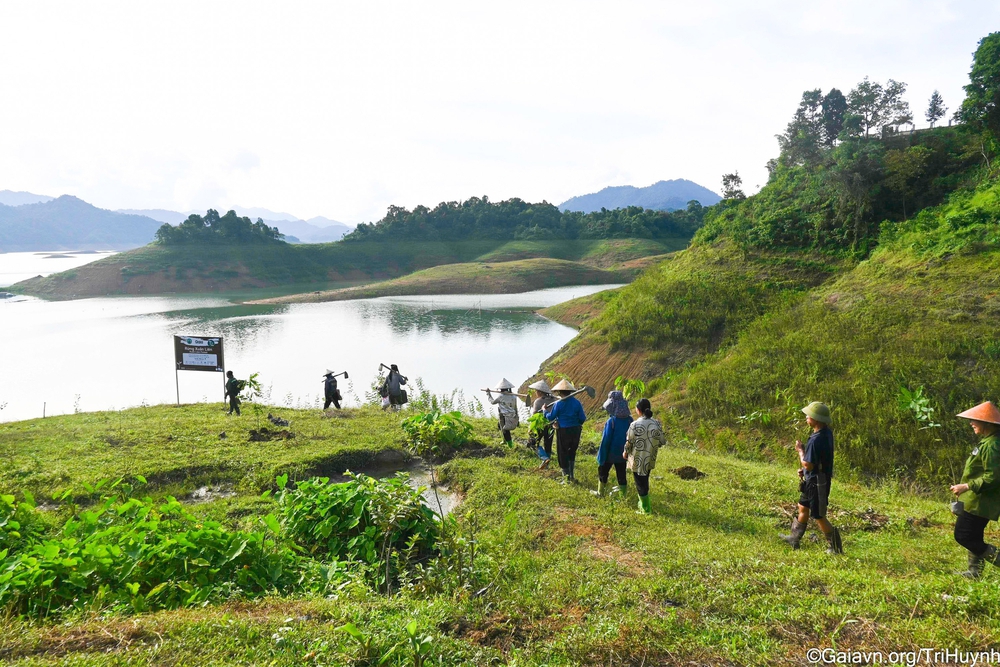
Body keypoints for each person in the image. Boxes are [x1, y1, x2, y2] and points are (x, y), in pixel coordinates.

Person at [780, 401, 843, 554]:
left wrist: (800, 451)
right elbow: (815, 462)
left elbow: (808, 463)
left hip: (817, 482)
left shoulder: (816, 440)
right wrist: (805, 471)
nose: (806, 417)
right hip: (812, 479)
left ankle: (835, 547)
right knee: (803, 506)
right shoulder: (825, 433)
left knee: (818, 515)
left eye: (809, 415)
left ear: (816, 419)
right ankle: (794, 538)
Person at [950, 401, 1000, 579]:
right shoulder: (988, 442)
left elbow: (993, 477)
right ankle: (974, 572)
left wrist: (967, 486)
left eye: (975, 420)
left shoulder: (993, 445)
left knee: (963, 535)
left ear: (987, 423)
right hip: (976, 500)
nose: (971, 423)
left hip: (982, 502)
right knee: (974, 536)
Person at [624, 398, 666, 514]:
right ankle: (643, 505)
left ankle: (645, 509)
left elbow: (629, 442)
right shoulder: (656, 423)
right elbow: (662, 441)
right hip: (649, 458)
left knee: (639, 483)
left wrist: (625, 452)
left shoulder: (634, 424)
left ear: (638, 410)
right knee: (644, 480)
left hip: (637, 458)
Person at [544, 379, 587, 484]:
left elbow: (551, 417)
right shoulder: (577, 403)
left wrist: (544, 410)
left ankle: (566, 478)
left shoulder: (559, 404)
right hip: (576, 430)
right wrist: (575, 423)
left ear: (559, 392)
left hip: (563, 430)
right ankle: (571, 476)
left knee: (562, 453)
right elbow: (582, 418)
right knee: (572, 451)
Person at [592, 390, 633, 498]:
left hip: (610, 454)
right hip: (623, 454)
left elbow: (606, 440)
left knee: (603, 471)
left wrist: (601, 457)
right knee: (621, 474)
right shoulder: (630, 420)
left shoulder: (612, 421)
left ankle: (600, 492)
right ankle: (623, 496)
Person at [527, 380, 556, 468]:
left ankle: (544, 458)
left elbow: (534, 415)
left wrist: (530, 428)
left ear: (539, 392)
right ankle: (546, 464)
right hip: (551, 425)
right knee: (548, 444)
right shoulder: (554, 400)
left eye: (536, 391)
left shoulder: (538, 401)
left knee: (533, 443)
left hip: (540, 425)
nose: (536, 393)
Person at [486, 378, 520, 446]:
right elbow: (515, 407)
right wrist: (517, 415)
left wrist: (488, 394)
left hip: (504, 415)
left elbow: (492, 402)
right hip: (512, 414)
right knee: (500, 426)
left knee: (505, 430)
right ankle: (504, 440)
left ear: (500, 389)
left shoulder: (501, 396)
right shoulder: (513, 396)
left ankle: (510, 445)